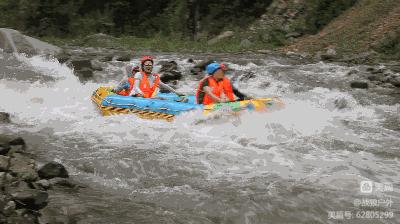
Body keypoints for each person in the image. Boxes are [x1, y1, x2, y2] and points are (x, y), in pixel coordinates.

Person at [113, 56, 183, 98]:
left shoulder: (152, 77)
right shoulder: (128, 79)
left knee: (160, 98)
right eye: (134, 70)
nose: (135, 72)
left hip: (143, 95)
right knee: (118, 90)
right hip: (135, 96)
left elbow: (164, 85)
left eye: (136, 70)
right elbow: (136, 87)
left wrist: (176, 93)